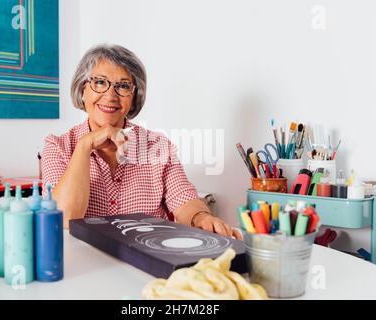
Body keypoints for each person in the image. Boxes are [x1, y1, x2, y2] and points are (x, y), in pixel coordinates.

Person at [41, 44, 242, 240]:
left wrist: (202, 217)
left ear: (134, 96)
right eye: (100, 82)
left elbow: (184, 198)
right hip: (89, 267)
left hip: (150, 262)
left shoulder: (158, 145)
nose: (110, 96)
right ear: (83, 90)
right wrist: (85, 146)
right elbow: (64, 219)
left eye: (123, 86)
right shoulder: (57, 147)